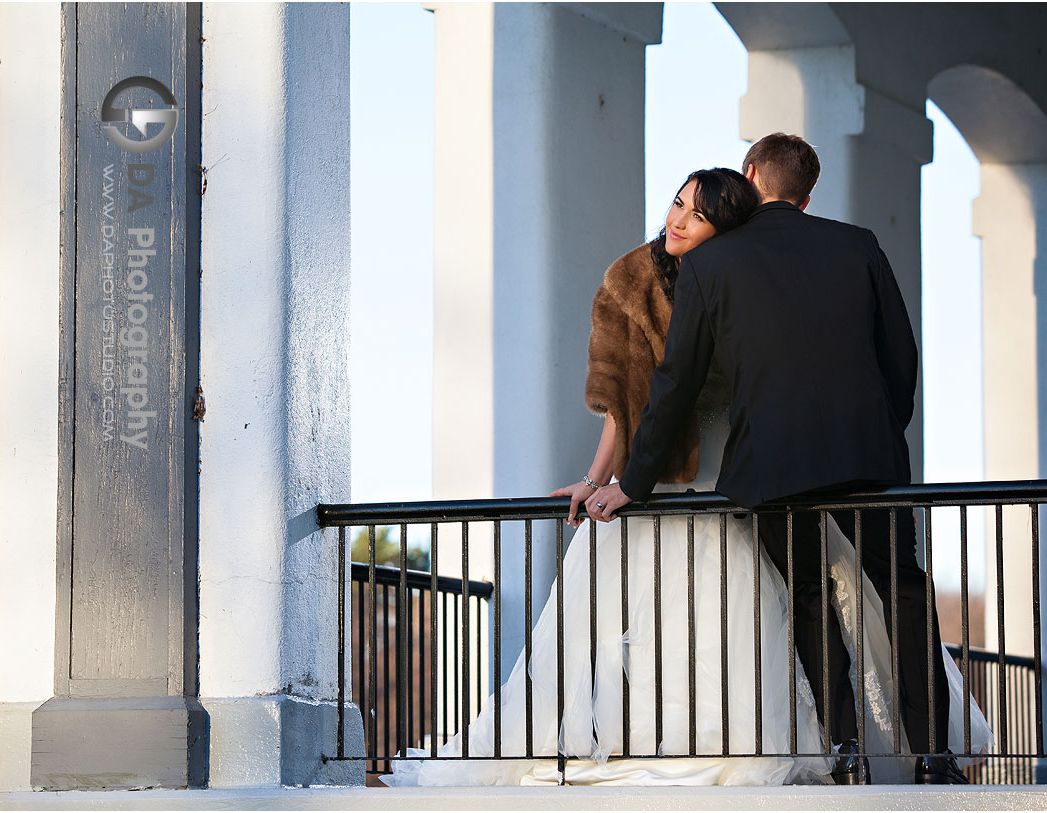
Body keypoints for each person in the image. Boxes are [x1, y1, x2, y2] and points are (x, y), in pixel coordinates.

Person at [382, 166, 989, 787]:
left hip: (747, 473)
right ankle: (682, 744)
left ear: (727, 228)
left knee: (790, 604)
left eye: (696, 215)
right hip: (682, 475)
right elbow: (632, 401)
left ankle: (866, 746)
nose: (676, 220)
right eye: (677, 205)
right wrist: (600, 479)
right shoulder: (635, 278)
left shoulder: (737, 269)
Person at [587, 134, 990, 784]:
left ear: (751, 176)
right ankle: (933, 755)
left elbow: (675, 383)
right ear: (807, 196)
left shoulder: (713, 264)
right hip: (869, 457)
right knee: (905, 594)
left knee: (808, 596)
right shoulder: (858, 244)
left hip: (772, 467)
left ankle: (846, 749)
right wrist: (880, 431)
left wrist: (631, 482)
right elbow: (902, 359)